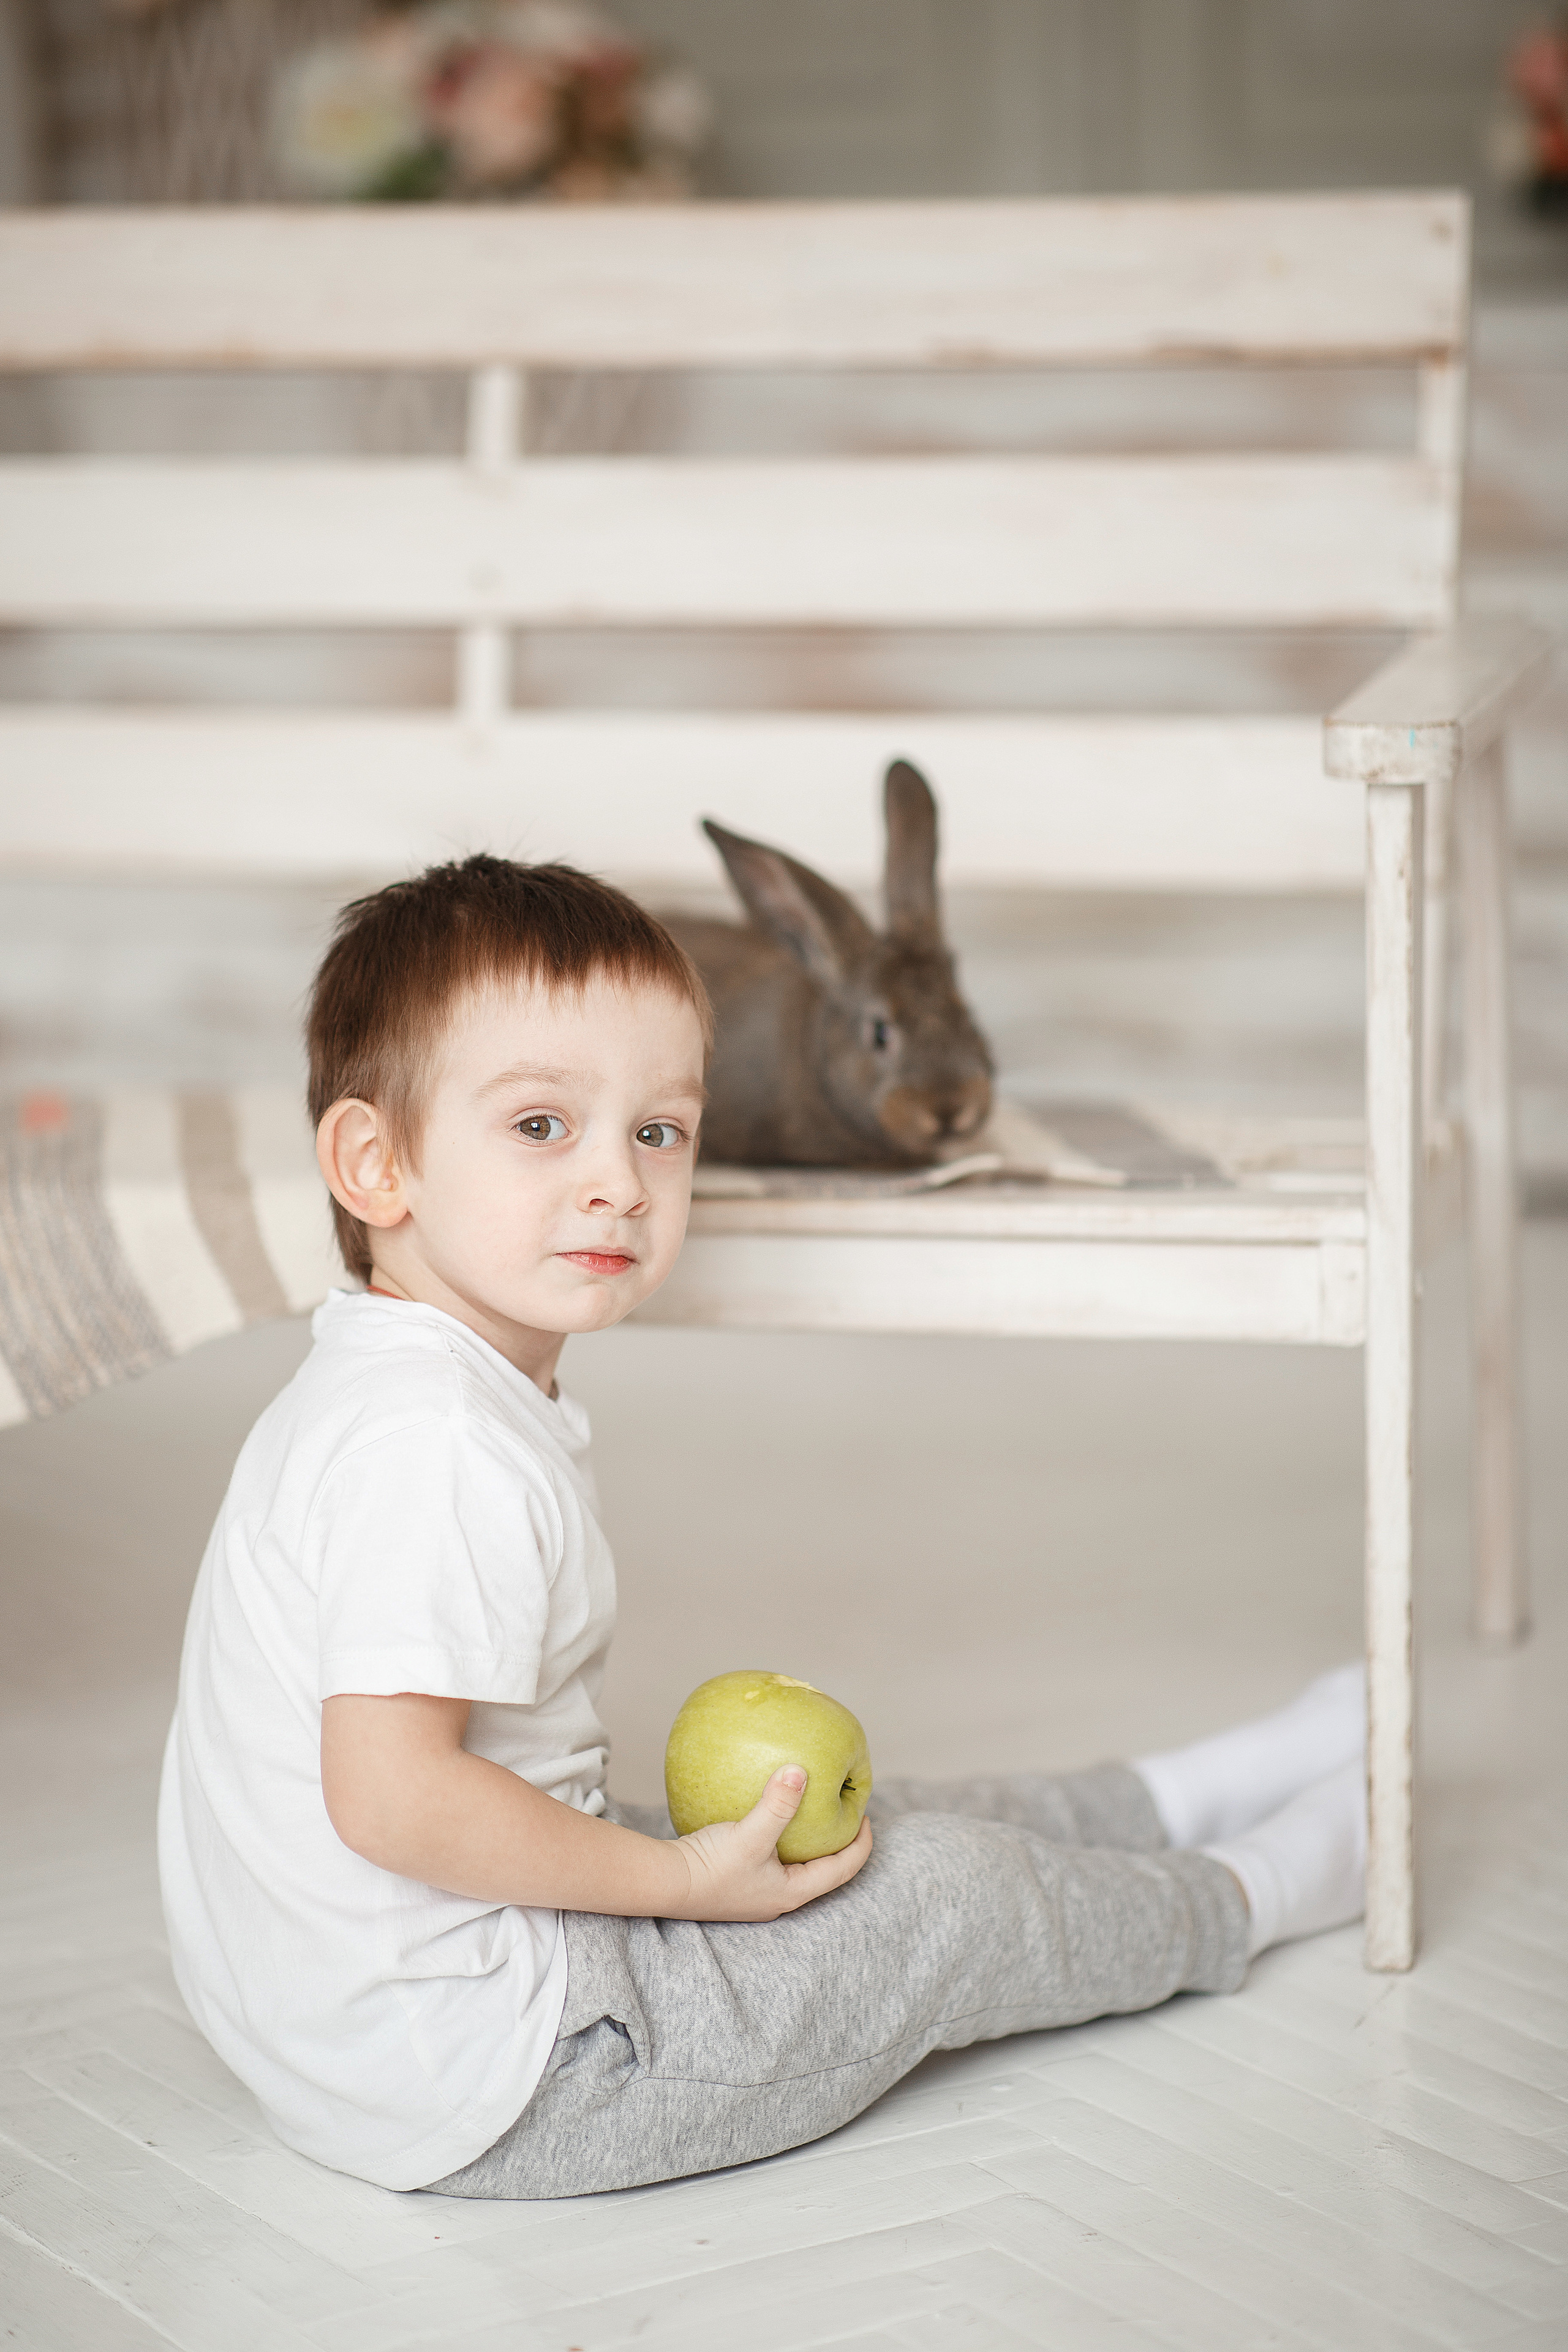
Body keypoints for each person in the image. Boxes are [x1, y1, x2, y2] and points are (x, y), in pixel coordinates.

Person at [157, 853, 1368, 2201]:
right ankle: (1261, 1889)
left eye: (658, 1130)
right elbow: (391, 1795)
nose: (618, 1181)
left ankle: (1195, 1787)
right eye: (543, 1127)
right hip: (509, 2077)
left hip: (360, 2029)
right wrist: (675, 1880)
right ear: (375, 1162)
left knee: (841, 1827)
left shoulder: (396, 1381)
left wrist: (679, 1872)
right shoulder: (433, 1446)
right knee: (938, 1896)